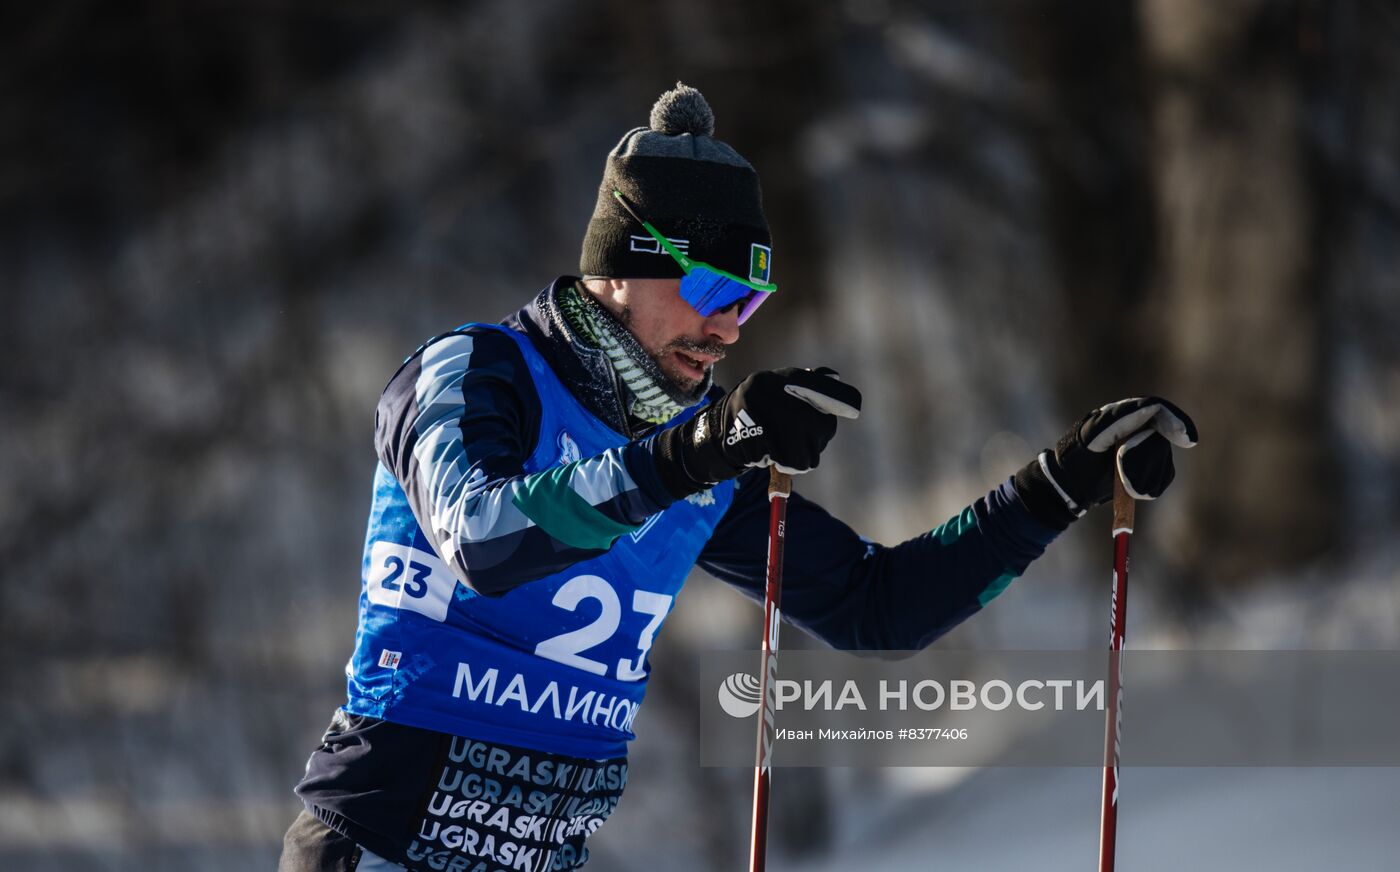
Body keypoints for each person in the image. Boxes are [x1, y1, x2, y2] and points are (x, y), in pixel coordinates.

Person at [279, 83, 1197, 872]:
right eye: (715, 293)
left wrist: (1058, 484)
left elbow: (879, 609)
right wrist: (706, 449)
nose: (729, 330)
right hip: (379, 847)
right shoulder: (479, 373)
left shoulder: (692, 458)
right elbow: (482, 538)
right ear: (623, 269)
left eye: (751, 302)